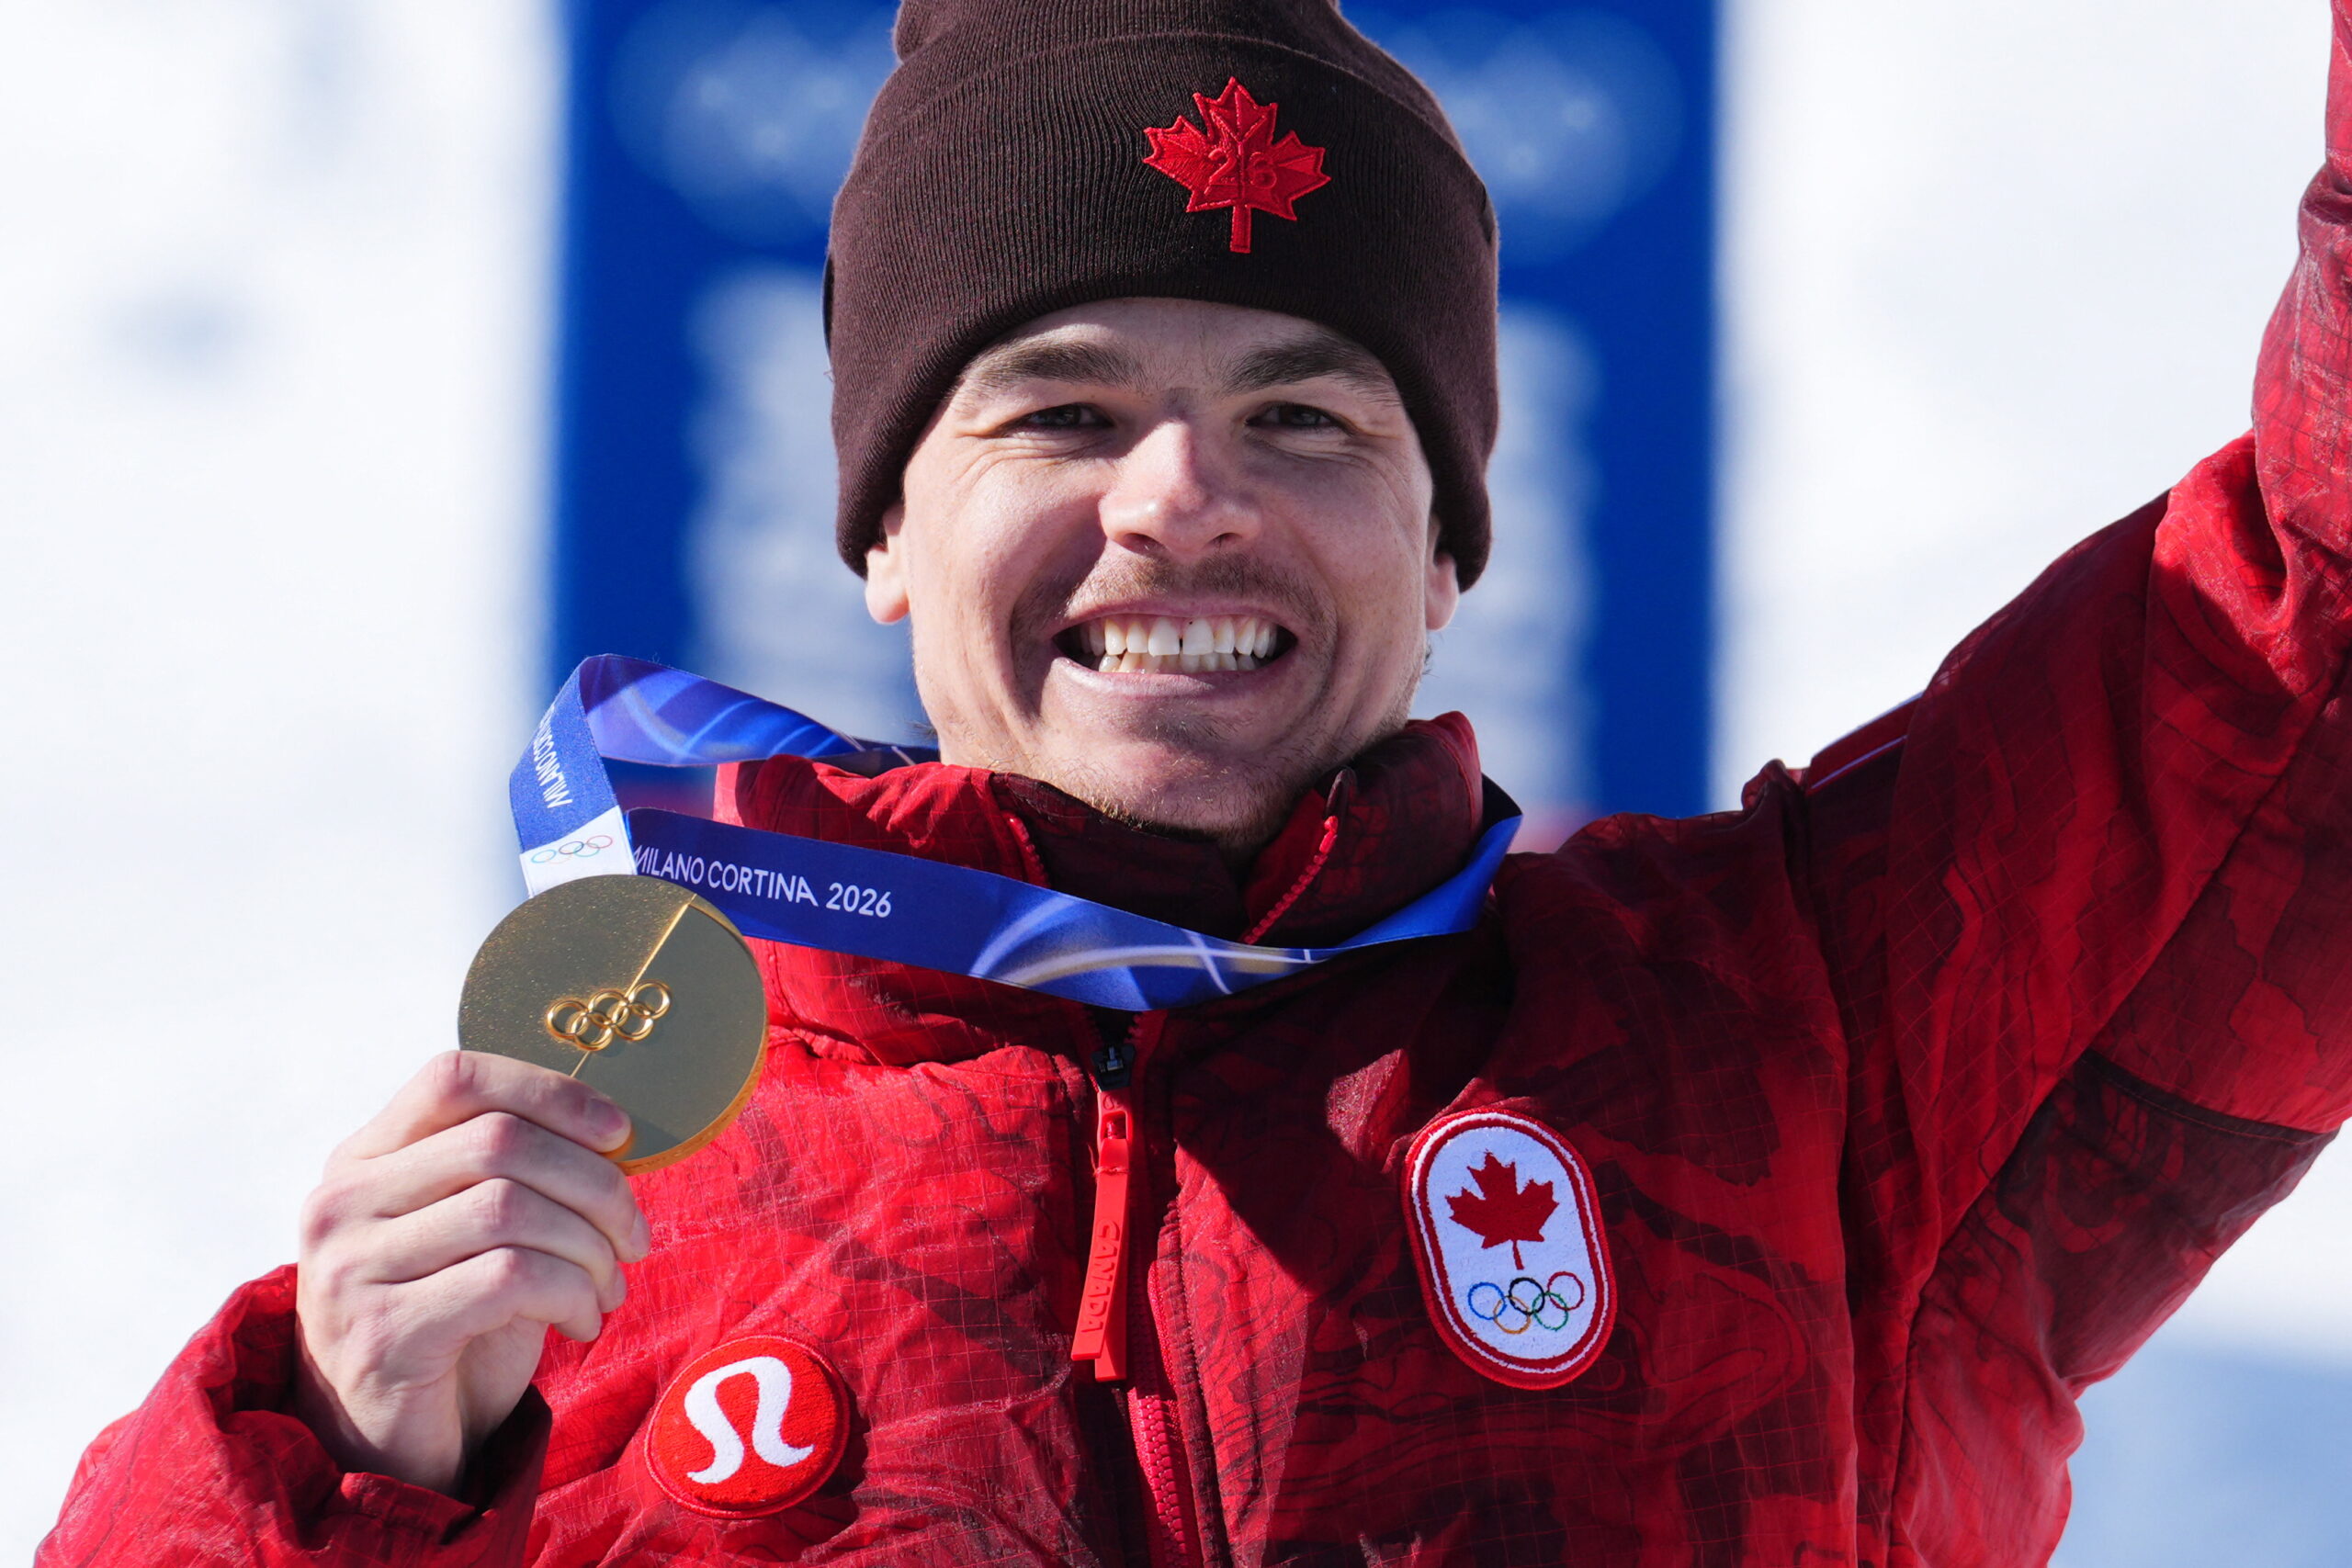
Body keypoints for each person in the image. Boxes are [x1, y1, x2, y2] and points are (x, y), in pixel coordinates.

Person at [40, 0, 2352, 1562]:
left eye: (1309, 419)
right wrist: (334, 1463)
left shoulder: (1811, 1038)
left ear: (1445, 547)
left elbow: (2310, 624)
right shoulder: (590, 1203)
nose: (1179, 497)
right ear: (877, 531)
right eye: (1055, 410)